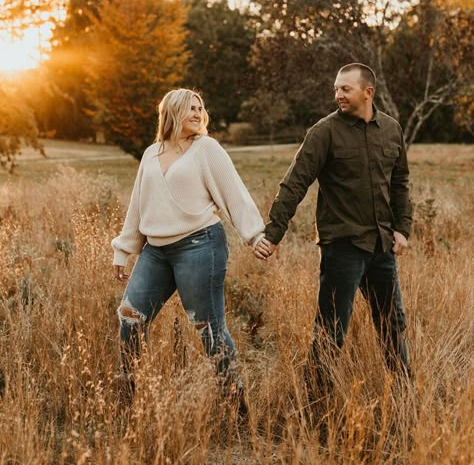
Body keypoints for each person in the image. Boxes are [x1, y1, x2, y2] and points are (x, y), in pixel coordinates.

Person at [255, 63, 412, 394]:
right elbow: (295, 183)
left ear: (368, 92)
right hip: (342, 247)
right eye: (336, 89)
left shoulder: (391, 129)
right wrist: (273, 234)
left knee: (392, 325)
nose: (338, 94)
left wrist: (403, 229)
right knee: (331, 330)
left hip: (382, 246)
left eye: (346, 89)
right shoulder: (324, 132)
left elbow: (400, 183)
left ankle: (403, 397)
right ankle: (316, 404)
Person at [112, 88, 265, 399]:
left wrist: (254, 234)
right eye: (190, 108)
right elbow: (138, 205)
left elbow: (234, 192)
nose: (198, 113)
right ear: (171, 113)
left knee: (208, 329)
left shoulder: (206, 148)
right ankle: (127, 400)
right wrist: (123, 249)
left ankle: (235, 404)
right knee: (130, 319)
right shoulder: (151, 154)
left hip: (200, 245)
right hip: (156, 251)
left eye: (200, 108)